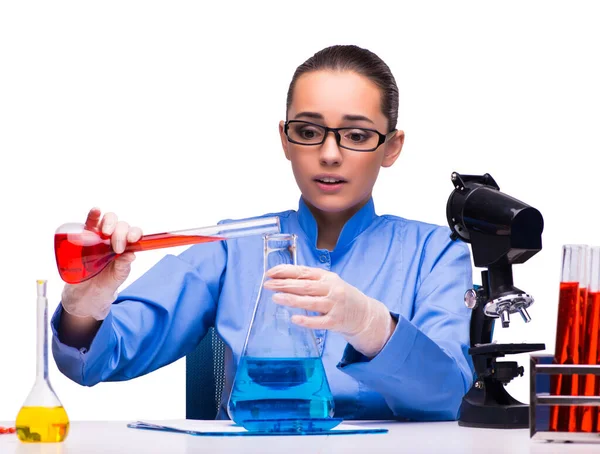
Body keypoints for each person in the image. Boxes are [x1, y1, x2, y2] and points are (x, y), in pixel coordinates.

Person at [51, 44, 474, 422]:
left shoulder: (436, 252)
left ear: (392, 147)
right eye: (308, 132)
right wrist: (86, 305)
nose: (329, 154)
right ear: (285, 140)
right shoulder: (232, 247)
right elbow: (95, 363)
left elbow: (449, 396)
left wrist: (370, 324)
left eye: (356, 135)